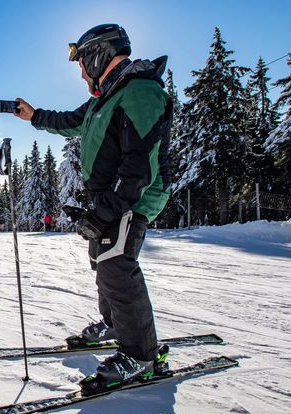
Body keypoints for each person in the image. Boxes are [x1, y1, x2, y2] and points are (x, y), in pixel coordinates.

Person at [12, 23, 173, 390]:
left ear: (100, 53)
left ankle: (141, 356)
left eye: (82, 62)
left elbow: (139, 163)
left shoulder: (140, 91)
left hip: (130, 196)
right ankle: (117, 325)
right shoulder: (107, 96)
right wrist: (33, 116)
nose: (82, 71)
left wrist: (111, 207)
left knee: (118, 266)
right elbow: (71, 122)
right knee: (102, 260)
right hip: (111, 198)